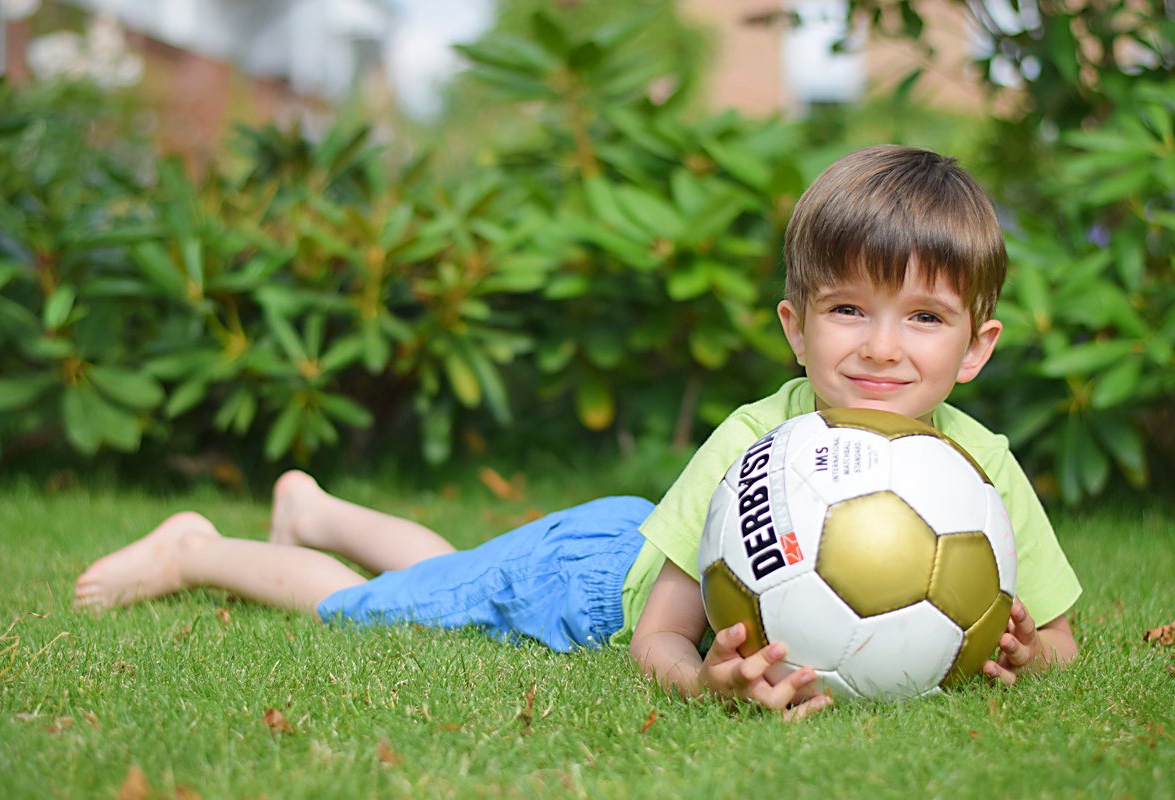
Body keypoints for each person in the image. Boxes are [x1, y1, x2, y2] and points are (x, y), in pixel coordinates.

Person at [75, 145, 1081, 720]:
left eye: (924, 317)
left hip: (620, 544)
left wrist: (1023, 653)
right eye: (849, 309)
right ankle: (197, 548)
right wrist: (702, 680)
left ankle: (313, 504)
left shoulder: (976, 471)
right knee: (387, 606)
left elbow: (1064, 643)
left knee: (461, 571)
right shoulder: (752, 437)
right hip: (591, 582)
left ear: (977, 345)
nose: (882, 347)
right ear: (796, 324)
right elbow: (659, 633)